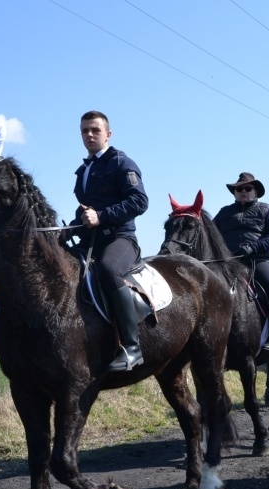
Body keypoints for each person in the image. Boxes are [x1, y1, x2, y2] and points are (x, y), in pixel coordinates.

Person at [64, 111, 149, 372]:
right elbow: (86, 210)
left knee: (109, 270)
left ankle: (132, 347)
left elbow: (140, 202)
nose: (89, 135)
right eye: (84, 131)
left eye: (95, 130)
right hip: (91, 239)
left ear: (107, 134)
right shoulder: (84, 170)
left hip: (120, 239)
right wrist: (73, 227)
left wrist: (101, 217)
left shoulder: (122, 163)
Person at [213, 172, 269, 354]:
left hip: (257, 260)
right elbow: (211, 234)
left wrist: (253, 247)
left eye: (247, 188)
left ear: (256, 192)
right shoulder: (224, 212)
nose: (243, 191)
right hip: (228, 262)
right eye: (239, 189)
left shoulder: (267, 210)